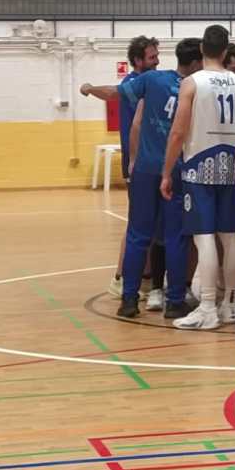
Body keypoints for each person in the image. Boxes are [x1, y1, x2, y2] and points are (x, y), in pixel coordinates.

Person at [161, 24, 235, 331]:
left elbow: (178, 131)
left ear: (202, 50)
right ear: (225, 51)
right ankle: (229, 306)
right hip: (228, 166)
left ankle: (208, 306)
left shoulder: (192, 82)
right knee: (229, 236)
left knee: (204, 236)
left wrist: (167, 171)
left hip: (199, 165)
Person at [117, 39, 203, 321]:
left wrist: (90, 89)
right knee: (176, 237)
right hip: (176, 169)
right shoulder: (198, 86)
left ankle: (129, 300)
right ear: (196, 63)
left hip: (145, 169)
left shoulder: (152, 80)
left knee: (138, 235)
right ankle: (175, 301)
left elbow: (122, 102)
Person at [80, 36, 160, 300]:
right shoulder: (132, 83)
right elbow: (110, 92)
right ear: (137, 60)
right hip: (136, 163)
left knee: (153, 223)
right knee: (139, 222)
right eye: (152, 57)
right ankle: (120, 277)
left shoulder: (152, 82)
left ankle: (147, 278)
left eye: (157, 55)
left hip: (153, 162)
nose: (157, 61)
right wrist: (90, 88)